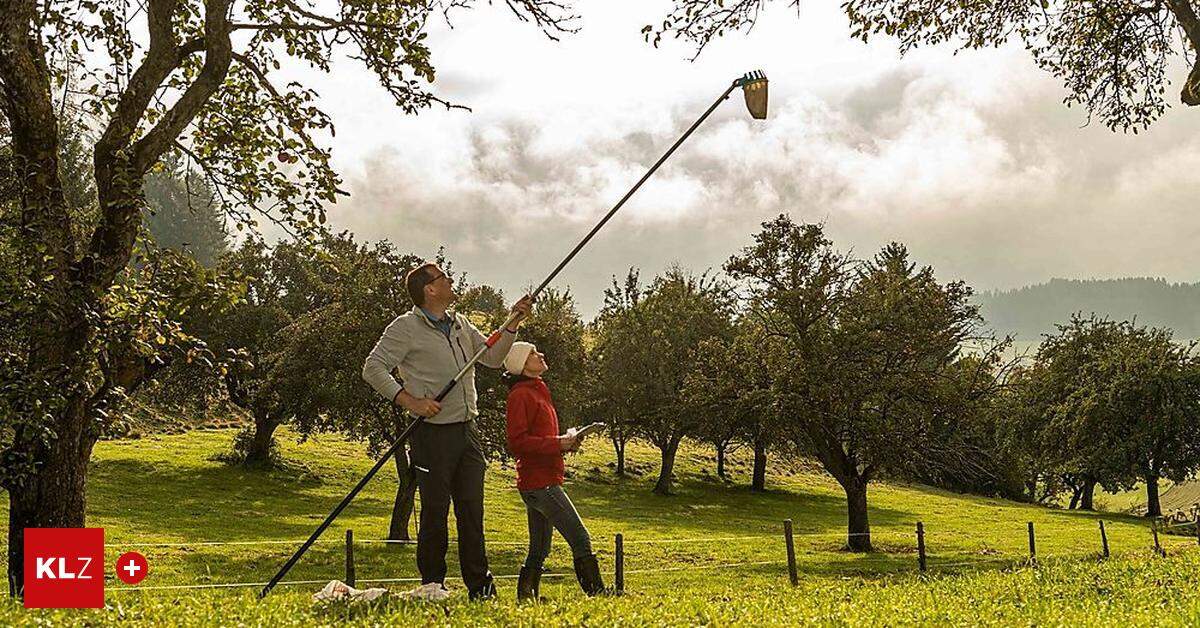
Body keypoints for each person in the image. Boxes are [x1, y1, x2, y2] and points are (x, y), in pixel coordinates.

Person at [362, 262, 533, 600]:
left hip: (468, 432)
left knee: (472, 510)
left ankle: (480, 588)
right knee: (435, 512)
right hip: (432, 435)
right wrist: (410, 400)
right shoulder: (405, 328)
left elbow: (493, 358)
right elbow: (373, 368)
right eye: (444, 278)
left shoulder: (461, 324)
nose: (451, 281)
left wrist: (512, 322)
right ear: (430, 289)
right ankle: (433, 585)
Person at [502, 341, 609, 600]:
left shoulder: (539, 390)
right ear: (523, 365)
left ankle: (526, 598)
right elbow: (517, 443)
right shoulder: (520, 395)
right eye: (533, 354)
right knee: (580, 538)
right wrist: (557, 443)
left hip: (542, 479)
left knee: (539, 548)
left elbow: (541, 438)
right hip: (540, 483)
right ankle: (598, 595)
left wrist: (565, 442)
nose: (541, 355)